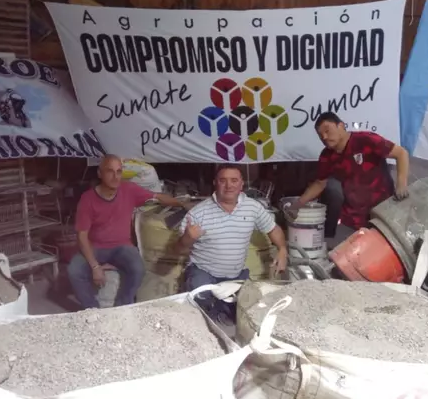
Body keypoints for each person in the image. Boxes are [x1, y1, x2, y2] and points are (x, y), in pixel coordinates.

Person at [69, 154, 190, 309]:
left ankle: (124, 305)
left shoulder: (128, 189)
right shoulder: (88, 199)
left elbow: (158, 197)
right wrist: (95, 267)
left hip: (122, 247)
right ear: (100, 173)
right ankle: (92, 309)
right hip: (95, 247)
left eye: (119, 172)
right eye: (110, 171)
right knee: (74, 270)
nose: (115, 177)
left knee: (138, 269)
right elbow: (82, 236)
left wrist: (182, 204)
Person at [175, 164, 287, 321]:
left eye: (234, 180)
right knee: (201, 308)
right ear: (215, 183)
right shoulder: (198, 213)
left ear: (241, 184)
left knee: (246, 312)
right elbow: (178, 250)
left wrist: (282, 249)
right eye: (223, 180)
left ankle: (222, 308)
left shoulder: (253, 208)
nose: (229, 186)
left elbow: (273, 229)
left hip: (236, 274)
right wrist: (188, 237)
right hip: (204, 272)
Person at [290, 112, 410, 247]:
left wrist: (401, 184)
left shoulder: (365, 140)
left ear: (341, 126)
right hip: (352, 217)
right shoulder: (326, 156)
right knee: (338, 254)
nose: (324, 137)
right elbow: (320, 183)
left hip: (382, 213)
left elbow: (401, 153)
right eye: (320, 135)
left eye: (327, 131)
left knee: (378, 254)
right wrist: (299, 203)